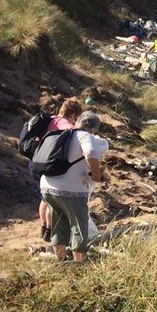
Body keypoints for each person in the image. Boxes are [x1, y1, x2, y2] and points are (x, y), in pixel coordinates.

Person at [39, 110, 108, 263]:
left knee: (58, 224)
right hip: (71, 189)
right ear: (93, 128)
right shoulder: (84, 136)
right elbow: (90, 151)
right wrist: (96, 175)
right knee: (79, 226)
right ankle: (78, 265)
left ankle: (61, 261)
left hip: (47, 185)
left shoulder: (61, 133)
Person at [38, 97, 83, 241]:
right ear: (73, 114)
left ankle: (43, 227)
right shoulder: (67, 126)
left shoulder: (50, 120)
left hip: (39, 160)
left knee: (44, 198)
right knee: (53, 202)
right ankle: (51, 230)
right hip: (54, 164)